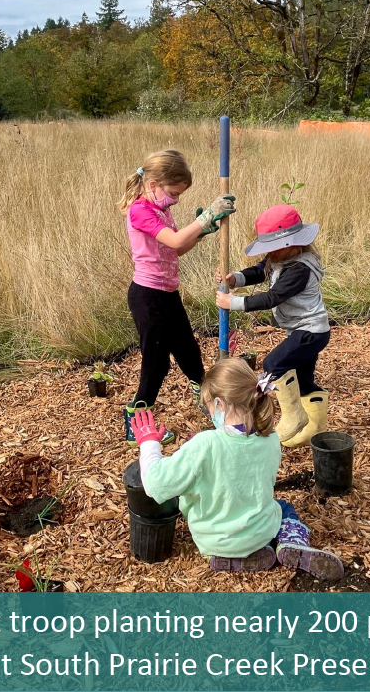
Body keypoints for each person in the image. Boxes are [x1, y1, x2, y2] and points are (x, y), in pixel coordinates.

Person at [130, 358, 344, 578]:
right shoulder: (270, 438)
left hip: (213, 539)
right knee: (283, 507)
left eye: (210, 406)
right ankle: (292, 542)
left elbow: (155, 485)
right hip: (260, 533)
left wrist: (148, 443)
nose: (211, 413)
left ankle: (226, 558)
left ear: (220, 404)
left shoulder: (205, 444)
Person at [118, 149, 235, 445]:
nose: (176, 200)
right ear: (153, 184)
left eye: (180, 195)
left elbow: (176, 248)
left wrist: (203, 231)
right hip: (148, 297)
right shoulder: (140, 210)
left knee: (188, 352)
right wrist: (205, 217)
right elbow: (174, 239)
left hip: (168, 294)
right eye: (173, 193)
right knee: (156, 364)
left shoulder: (161, 209)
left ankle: (208, 403)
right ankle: (136, 420)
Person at [216, 204, 330, 447]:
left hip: (310, 332)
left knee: (273, 364)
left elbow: (272, 298)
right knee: (304, 379)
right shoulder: (281, 258)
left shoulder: (300, 269)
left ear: (292, 244)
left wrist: (232, 302)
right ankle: (315, 428)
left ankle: (294, 416)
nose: (271, 254)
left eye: (273, 249)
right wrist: (236, 278)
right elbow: (260, 271)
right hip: (303, 330)